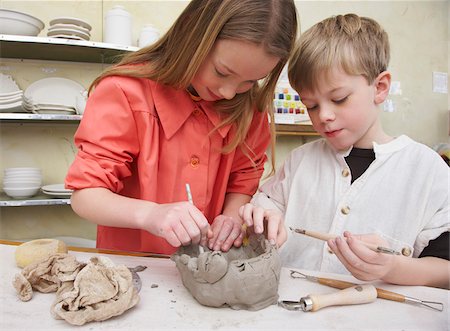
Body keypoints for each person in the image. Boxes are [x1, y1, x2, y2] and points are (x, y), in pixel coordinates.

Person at [65, 0, 298, 255]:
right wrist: (152, 215)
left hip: (206, 273)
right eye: (222, 72)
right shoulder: (125, 92)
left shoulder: (250, 110)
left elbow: (241, 184)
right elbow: (85, 196)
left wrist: (232, 218)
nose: (229, 93)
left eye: (251, 81)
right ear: (193, 36)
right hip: (130, 267)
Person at [239, 14, 449, 288]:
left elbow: (445, 269)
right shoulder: (300, 162)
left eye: (338, 99)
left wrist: (394, 267)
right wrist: (261, 220)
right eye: (311, 106)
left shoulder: (428, 171)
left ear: (380, 88)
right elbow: (265, 210)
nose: (323, 115)